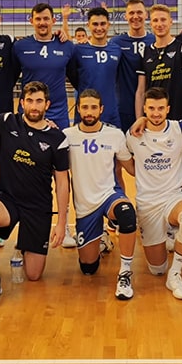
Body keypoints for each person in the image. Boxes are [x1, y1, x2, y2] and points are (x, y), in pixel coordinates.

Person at [0, 81, 71, 306]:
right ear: (22, 103)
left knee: (34, 275)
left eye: (39, 101)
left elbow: (62, 183)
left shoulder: (57, 139)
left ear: (47, 104)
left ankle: (23, 246)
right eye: (29, 101)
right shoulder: (8, 121)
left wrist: (61, 223)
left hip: (38, 206)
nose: (34, 106)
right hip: (8, 200)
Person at [123, 87, 182, 300]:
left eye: (160, 108)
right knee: (157, 269)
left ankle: (175, 275)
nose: (156, 113)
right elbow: (127, 164)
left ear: (168, 109)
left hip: (174, 196)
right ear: (144, 109)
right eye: (151, 109)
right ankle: (166, 238)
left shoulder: (181, 131)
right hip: (148, 203)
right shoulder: (133, 135)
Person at [64, 89, 139, 300]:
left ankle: (125, 272)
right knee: (88, 268)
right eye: (85, 107)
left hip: (109, 196)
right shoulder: (67, 136)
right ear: (78, 110)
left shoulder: (114, 135)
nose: (89, 112)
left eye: (93, 107)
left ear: (101, 109)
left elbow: (132, 169)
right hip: (85, 206)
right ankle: (101, 239)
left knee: (127, 213)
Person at [13, 3, 75, 129]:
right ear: (31, 21)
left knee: (61, 142)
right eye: (38, 19)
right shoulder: (20, 46)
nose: (42, 23)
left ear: (53, 20)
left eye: (46, 19)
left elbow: (75, 76)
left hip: (58, 113)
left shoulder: (66, 46)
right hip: (29, 112)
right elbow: (11, 77)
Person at [136, 4, 182, 121]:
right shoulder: (145, 52)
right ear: (150, 24)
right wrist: (140, 119)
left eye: (163, 20)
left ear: (170, 22)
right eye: (155, 20)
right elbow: (140, 91)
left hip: (177, 118)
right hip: (153, 119)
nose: (159, 24)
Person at [68, 7, 122, 128]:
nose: (99, 28)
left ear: (108, 25)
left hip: (111, 112)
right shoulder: (78, 50)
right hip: (85, 112)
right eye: (95, 24)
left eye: (103, 24)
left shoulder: (116, 50)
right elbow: (73, 76)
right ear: (88, 25)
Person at [109, 0, 154, 131]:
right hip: (123, 107)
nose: (135, 16)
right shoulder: (116, 43)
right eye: (131, 13)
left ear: (146, 15)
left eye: (139, 12)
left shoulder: (155, 40)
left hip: (152, 108)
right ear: (125, 16)